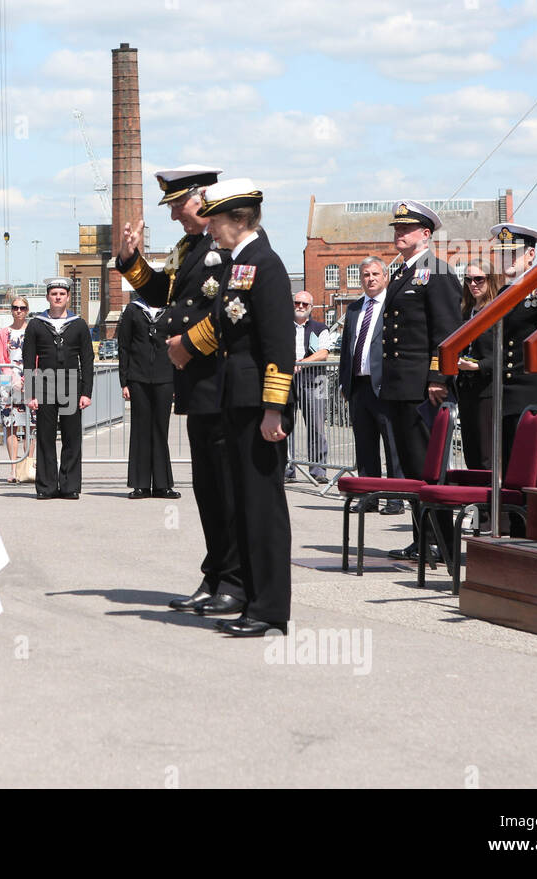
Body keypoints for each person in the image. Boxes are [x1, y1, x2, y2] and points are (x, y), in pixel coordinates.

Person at [118, 165, 243, 616]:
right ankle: (215, 574)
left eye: (178, 205)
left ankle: (234, 579)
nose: (174, 216)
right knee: (207, 487)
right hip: (196, 383)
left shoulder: (226, 243)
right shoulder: (190, 246)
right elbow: (161, 292)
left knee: (225, 486)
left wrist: (189, 346)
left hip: (220, 378)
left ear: (202, 197)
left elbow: (232, 311)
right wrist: (131, 260)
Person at [172, 177, 294, 637]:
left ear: (237, 219)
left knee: (263, 509)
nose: (211, 228)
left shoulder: (265, 264)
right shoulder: (239, 265)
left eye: (216, 220)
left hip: (258, 407)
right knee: (244, 505)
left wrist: (274, 408)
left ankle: (270, 609)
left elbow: (279, 344)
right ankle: (249, 598)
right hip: (236, 402)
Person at [378, 200, 461, 563]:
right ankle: (421, 538)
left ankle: (441, 542)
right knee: (413, 470)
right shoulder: (402, 273)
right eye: (396, 228)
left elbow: (447, 331)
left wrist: (437, 377)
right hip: (400, 385)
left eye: (406, 229)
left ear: (425, 234)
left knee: (428, 468)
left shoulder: (437, 272)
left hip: (421, 387)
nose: (399, 233)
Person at [488, 222, 537, 465]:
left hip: (532, 392)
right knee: (507, 469)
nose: (506, 258)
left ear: (531, 254)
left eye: (513, 252)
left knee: (531, 468)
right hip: (504, 394)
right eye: (502, 252)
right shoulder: (502, 293)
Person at [337, 256, 404, 514]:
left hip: (384, 387)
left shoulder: (393, 306)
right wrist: (346, 383)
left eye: (375, 274)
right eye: (366, 275)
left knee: (392, 445)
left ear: (385, 277)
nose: (371, 279)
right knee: (364, 445)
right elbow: (347, 349)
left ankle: (395, 499)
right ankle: (368, 497)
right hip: (359, 387)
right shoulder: (354, 309)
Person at [23, 278, 94, 499]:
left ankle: (70, 486)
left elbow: (87, 360)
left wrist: (86, 392)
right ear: (47, 297)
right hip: (44, 382)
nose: (57, 297)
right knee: (45, 437)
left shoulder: (79, 324)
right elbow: (28, 360)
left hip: (72, 382)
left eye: (62, 294)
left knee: (72, 438)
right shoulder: (36, 324)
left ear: (68, 297)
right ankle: (47, 487)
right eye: (54, 294)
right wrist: (30, 394)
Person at [116, 294, 177, 498]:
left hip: (165, 376)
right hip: (138, 376)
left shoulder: (171, 309)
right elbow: (123, 346)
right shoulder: (133, 310)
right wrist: (124, 381)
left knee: (161, 429)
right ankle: (140, 484)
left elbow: (179, 345)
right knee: (140, 430)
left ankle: (162, 484)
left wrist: (179, 380)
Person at [455, 259, 500, 471]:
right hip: (466, 387)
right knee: (470, 449)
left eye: (479, 279)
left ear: (490, 281)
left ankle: (488, 500)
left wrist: (480, 366)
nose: (473, 284)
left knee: (486, 452)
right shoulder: (466, 311)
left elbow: (505, 353)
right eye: (468, 280)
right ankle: (474, 497)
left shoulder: (498, 310)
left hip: (487, 388)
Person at [290, 290, 330, 483]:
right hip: (286, 380)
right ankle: (286, 469)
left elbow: (323, 353)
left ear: (311, 308)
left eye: (305, 304)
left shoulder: (320, 328)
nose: (300, 306)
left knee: (316, 426)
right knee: (284, 425)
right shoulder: (282, 327)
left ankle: (318, 470)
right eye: (297, 302)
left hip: (313, 380)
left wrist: (302, 362)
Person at [0, 297, 36, 481]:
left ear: (27, 310)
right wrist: (13, 379)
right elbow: (2, 359)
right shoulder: (3, 333)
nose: (18, 311)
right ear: (11, 310)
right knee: (11, 425)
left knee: (32, 425)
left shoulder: (34, 331)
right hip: (9, 381)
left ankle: (27, 466)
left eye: (22, 307)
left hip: (31, 378)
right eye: (15, 307)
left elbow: (38, 357)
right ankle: (13, 469)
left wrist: (28, 378)